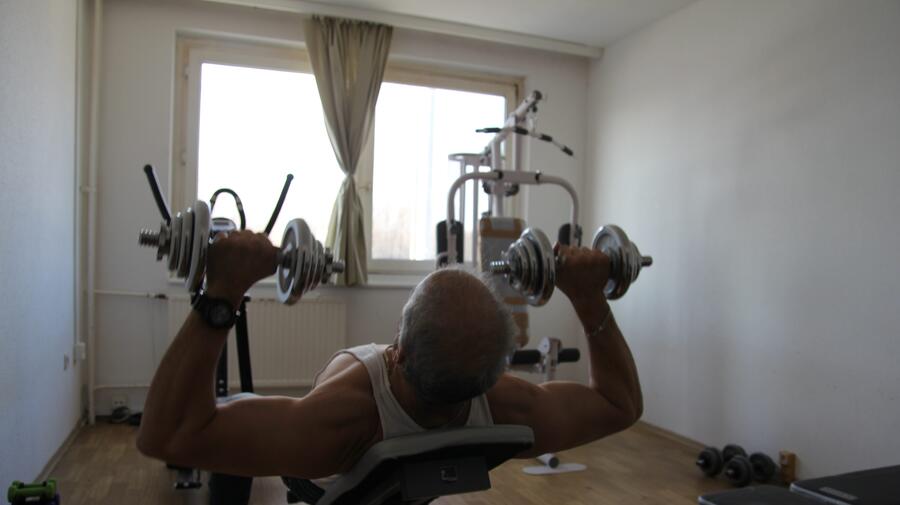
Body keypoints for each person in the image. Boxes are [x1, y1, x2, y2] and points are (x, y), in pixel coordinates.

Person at [137, 231, 643, 480]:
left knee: (237, 406)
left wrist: (222, 291)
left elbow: (165, 435)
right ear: (496, 372)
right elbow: (620, 404)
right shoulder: (511, 408)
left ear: (396, 349)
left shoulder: (334, 422)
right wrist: (589, 297)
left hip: (345, 438)